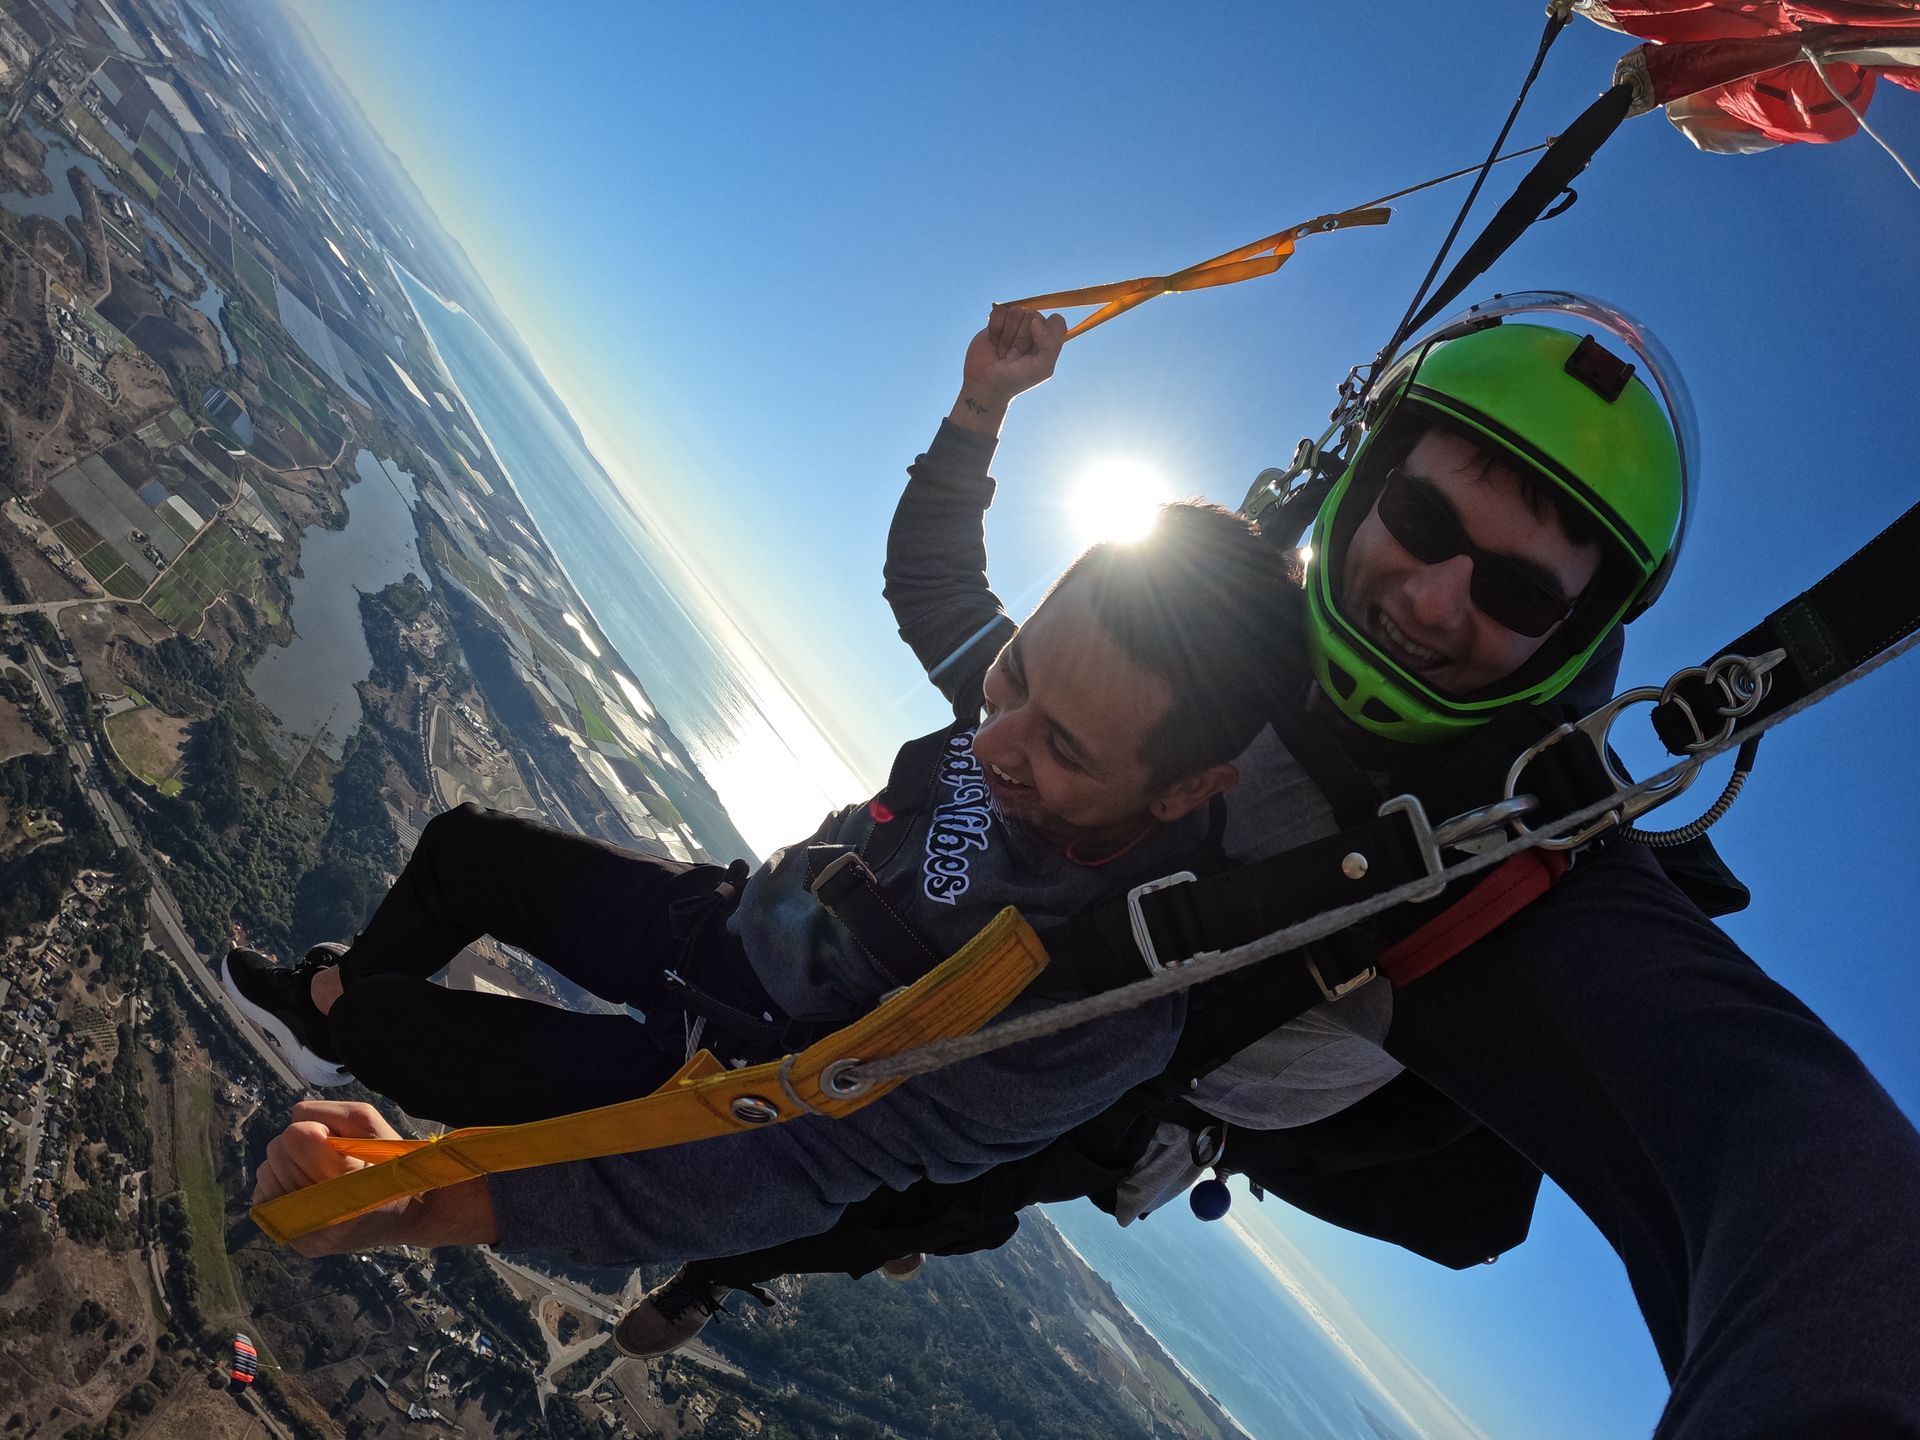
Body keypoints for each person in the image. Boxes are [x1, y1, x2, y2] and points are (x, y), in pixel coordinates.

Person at [614, 295, 1920, 1439]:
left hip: (1112, 1093)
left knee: (922, 1187)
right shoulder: (1206, 634)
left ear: (1572, 643)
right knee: (862, 1107)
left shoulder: (1518, 859)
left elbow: (1799, 1157)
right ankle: (709, 1241)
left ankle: (707, 1272)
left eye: (1520, 596)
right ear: (1363, 476)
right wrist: (978, 416)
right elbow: (957, 616)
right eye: (1419, 516)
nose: (1435, 599)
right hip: (984, 987)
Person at [236, 305, 1300, 1264]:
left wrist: (425, 1208)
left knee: (384, 1017)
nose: (993, 740)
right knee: (463, 851)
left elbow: (802, 1171)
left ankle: (343, 1022)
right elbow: (934, 578)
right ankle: (325, 1024)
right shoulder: (1040, 708)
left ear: (1181, 791)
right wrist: (982, 405)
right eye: (1012, 675)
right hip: (720, 934)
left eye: (1062, 749)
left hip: (715, 1086)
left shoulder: (1094, 1000)